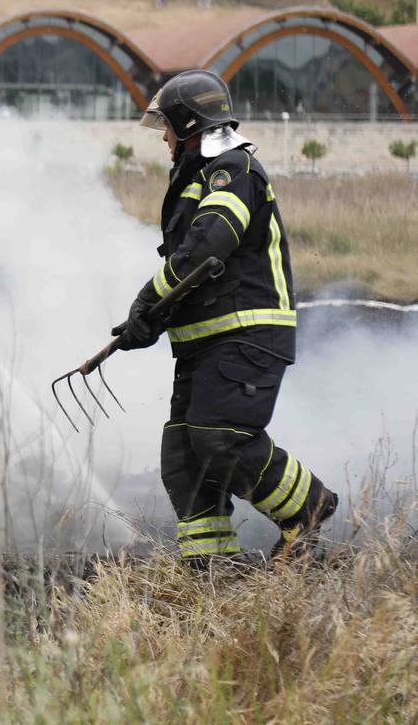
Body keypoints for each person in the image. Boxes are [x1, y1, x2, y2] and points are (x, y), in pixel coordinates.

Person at [112, 69, 337, 564]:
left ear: (190, 125)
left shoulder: (233, 170)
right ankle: (212, 570)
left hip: (245, 337)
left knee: (223, 440)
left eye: (168, 127)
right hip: (204, 346)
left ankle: (309, 510)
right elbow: (195, 273)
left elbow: (208, 244)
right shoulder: (196, 178)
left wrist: (148, 299)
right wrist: (149, 322)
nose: (164, 138)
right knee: (184, 456)